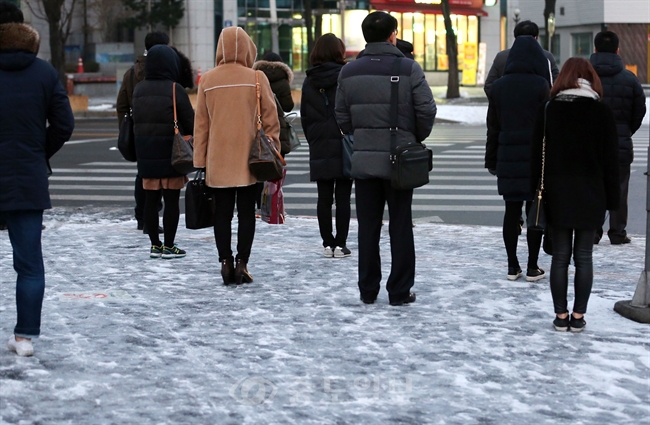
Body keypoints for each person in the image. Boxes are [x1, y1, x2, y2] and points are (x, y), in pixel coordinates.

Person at [335, 12, 436, 306]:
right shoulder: (408, 68)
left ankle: (368, 290)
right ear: (393, 34)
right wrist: (412, 136)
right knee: (400, 224)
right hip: (400, 161)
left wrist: (361, 135)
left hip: (364, 161)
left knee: (368, 227)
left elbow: (341, 116)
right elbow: (426, 110)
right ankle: (399, 290)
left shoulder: (349, 73)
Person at [0, 1, 75, 356]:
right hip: (26, 177)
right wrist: (37, 151)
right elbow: (64, 124)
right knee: (29, 264)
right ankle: (25, 337)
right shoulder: (44, 73)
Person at [531, 57, 620, 332]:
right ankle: (579, 316)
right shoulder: (601, 111)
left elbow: (537, 157)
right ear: (590, 79)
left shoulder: (548, 110)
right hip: (591, 193)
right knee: (584, 257)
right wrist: (612, 201)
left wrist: (534, 192)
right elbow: (611, 162)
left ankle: (560, 315)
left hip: (557, 193)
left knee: (560, 257)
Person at [193, 27, 280, 285]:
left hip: (217, 160)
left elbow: (201, 125)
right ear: (247, 48)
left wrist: (200, 161)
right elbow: (270, 119)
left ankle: (225, 262)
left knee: (221, 214)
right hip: (250, 160)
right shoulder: (256, 77)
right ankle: (242, 263)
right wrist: (273, 146)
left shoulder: (207, 80)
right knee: (245, 213)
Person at [485, 35, 550, 282]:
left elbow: (493, 127)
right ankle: (533, 266)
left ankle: (512, 265)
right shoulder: (541, 85)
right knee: (534, 210)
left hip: (508, 156)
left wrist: (491, 159)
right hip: (535, 157)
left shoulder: (499, 87)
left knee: (511, 211)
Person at [132, 44, 194, 259]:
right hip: (172, 154)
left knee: (150, 200)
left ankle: (154, 245)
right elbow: (190, 121)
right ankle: (169, 245)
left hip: (146, 154)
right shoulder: (174, 89)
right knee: (171, 201)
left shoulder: (139, 89)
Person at [590, 31, 647, 245]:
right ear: (617, 50)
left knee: (592, 185)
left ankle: (593, 231)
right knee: (620, 188)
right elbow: (639, 110)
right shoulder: (629, 79)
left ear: (594, 49)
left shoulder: (585, 77)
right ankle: (617, 232)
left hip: (590, 142)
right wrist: (625, 131)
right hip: (620, 141)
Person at [301, 34, 353, 258]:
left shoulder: (309, 80)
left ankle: (327, 243)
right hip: (343, 143)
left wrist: (314, 138)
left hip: (320, 143)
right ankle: (341, 244)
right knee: (343, 197)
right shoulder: (346, 77)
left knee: (324, 197)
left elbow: (305, 117)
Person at [116, 31, 169, 234]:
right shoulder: (165, 71)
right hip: (163, 131)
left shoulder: (131, 73)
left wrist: (125, 128)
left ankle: (142, 217)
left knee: (143, 175)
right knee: (162, 177)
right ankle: (152, 217)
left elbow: (121, 104)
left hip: (140, 132)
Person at [252, 51, 295, 212]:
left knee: (257, 169)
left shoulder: (255, 79)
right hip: (277, 130)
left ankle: (257, 203)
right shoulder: (283, 82)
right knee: (275, 170)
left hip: (258, 128)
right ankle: (271, 206)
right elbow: (288, 106)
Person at [484, 20, 559, 97]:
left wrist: (500, 102)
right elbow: (557, 83)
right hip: (537, 106)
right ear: (535, 37)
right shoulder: (546, 56)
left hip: (508, 105)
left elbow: (489, 85)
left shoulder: (502, 56)